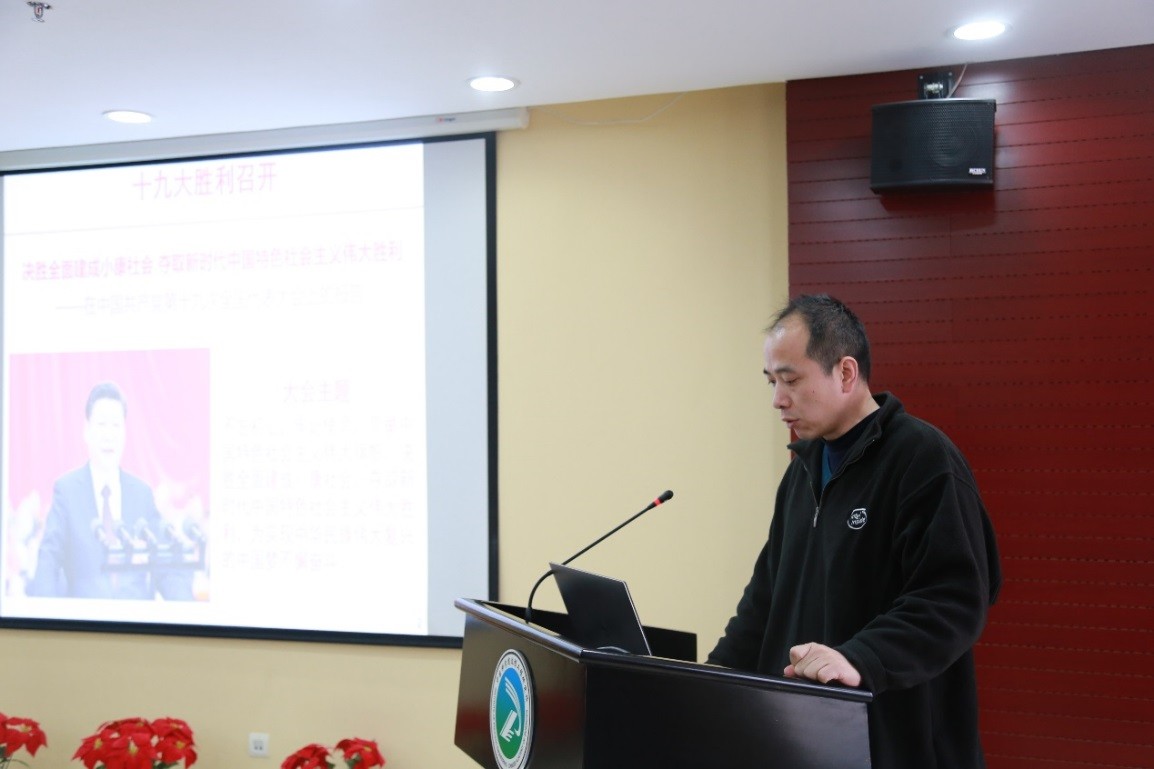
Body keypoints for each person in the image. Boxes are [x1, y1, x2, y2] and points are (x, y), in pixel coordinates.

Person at [707, 294, 1001, 769]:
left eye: (790, 380)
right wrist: (711, 680)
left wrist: (860, 658)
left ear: (845, 373)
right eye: (771, 382)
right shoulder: (801, 473)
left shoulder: (922, 459)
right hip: (804, 740)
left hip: (896, 742)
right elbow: (764, 602)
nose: (778, 399)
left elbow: (953, 599)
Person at [27, 382, 193, 600]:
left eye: (116, 426)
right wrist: (43, 615)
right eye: (102, 425)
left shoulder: (141, 494)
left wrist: (187, 608)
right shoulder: (67, 491)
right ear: (86, 431)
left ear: (124, 433)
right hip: (84, 618)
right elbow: (48, 562)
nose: (109, 435)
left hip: (134, 618)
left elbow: (165, 566)